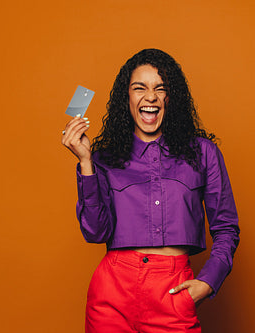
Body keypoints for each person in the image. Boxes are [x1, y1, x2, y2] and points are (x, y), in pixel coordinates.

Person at [62, 48, 240, 333]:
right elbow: (95, 232)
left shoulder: (203, 153)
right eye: (139, 88)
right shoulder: (103, 159)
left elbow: (227, 228)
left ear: (172, 98)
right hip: (111, 293)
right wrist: (85, 162)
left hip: (172, 292)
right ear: (127, 98)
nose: (151, 97)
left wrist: (208, 282)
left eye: (161, 88)